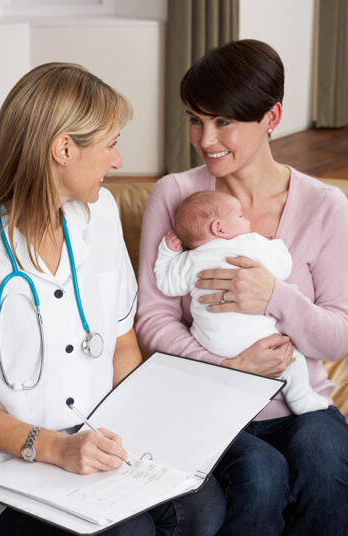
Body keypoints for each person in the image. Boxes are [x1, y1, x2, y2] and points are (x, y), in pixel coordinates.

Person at [0, 62, 225, 536]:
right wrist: (57, 447)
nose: (118, 160)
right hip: (17, 465)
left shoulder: (98, 214)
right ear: (63, 149)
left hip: (98, 446)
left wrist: (143, 436)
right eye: (110, 144)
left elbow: (121, 344)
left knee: (205, 506)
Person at [136, 39, 348, 535]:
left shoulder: (326, 206)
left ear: (271, 117)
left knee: (325, 458)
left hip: (299, 404)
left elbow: (338, 336)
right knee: (257, 476)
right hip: (206, 400)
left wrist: (274, 296)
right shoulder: (176, 195)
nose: (205, 138)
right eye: (195, 119)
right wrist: (228, 369)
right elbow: (153, 318)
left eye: (223, 122)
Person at [154, 190, 328, 415]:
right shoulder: (251, 243)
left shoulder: (189, 260)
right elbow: (284, 267)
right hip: (260, 341)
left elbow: (166, 283)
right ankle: (301, 399)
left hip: (211, 345)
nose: (247, 221)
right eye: (239, 217)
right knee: (293, 359)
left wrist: (167, 252)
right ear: (219, 228)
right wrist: (276, 245)